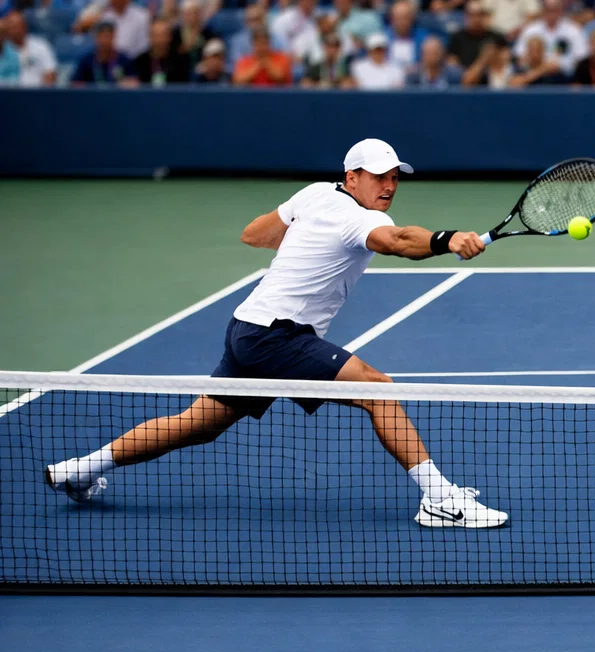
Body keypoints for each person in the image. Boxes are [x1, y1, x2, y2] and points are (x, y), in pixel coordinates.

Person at [47, 140, 507, 531]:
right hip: (277, 337)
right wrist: (447, 239)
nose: (388, 186)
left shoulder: (313, 196)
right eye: (378, 177)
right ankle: (440, 499)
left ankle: (80, 469)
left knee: (199, 424)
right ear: (352, 177)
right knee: (377, 390)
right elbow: (399, 241)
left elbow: (255, 234)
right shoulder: (359, 219)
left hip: (246, 329)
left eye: (394, 177)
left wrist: (307, 239)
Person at [516, 0, 588, 75]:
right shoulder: (530, 30)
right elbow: (519, 56)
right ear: (543, 11)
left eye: (555, 10)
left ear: (561, 10)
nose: (552, 14)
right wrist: (542, 66)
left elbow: (582, 58)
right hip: (535, 76)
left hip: (566, 77)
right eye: (549, 10)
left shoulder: (574, 30)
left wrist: (562, 65)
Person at [73, 0, 150, 59]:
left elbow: (143, 48)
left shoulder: (142, 17)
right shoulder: (103, 16)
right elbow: (77, 28)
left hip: (133, 63)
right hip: (107, 61)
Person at [2, 9, 58, 86]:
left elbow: (50, 73)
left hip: (37, 94)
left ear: (24, 26)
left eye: (16, 26)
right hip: (9, 94)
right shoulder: (3, 49)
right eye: (10, 26)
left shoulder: (40, 45)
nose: (13, 30)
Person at [131, 16, 190, 84]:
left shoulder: (181, 60)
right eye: (157, 35)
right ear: (150, 37)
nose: (160, 40)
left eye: (164, 35)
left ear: (170, 36)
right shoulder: (141, 61)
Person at [448, 0, 506, 67]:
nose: (476, 19)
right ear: (465, 16)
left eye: (479, 14)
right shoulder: (456, 38)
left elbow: (505, 66)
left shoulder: (497, 38)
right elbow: (453, 70)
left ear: (484, 16)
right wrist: (484, 58)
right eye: (472, 15)